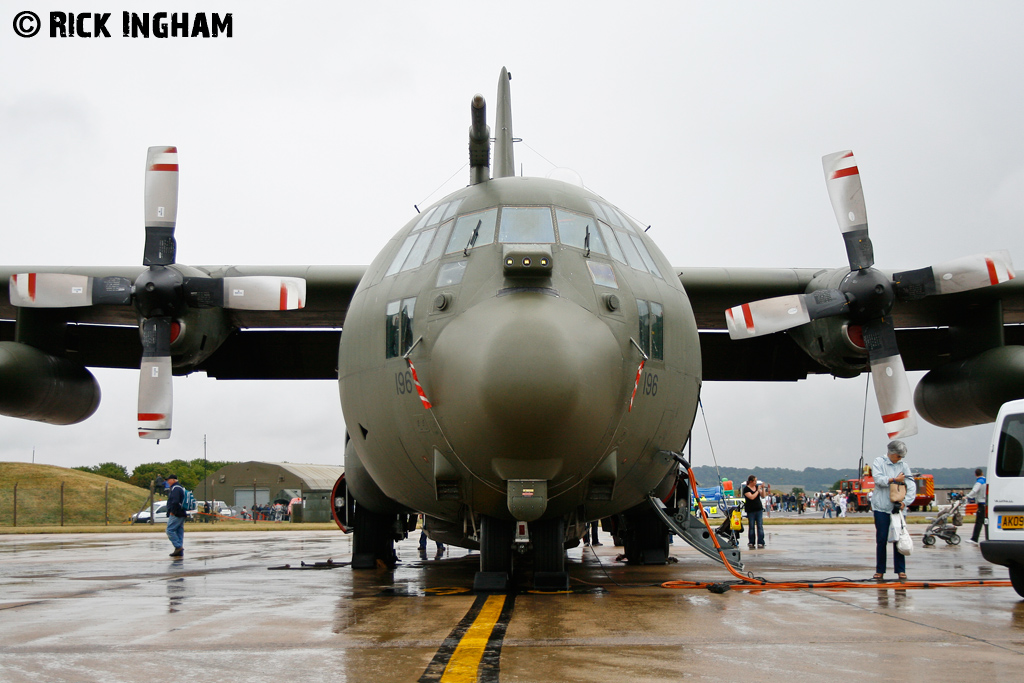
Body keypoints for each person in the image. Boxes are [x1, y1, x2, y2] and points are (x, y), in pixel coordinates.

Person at [871, 440, 917, 581]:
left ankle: (900, 570)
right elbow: (878, 479)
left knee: (899, 539)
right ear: (891, 453)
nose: (900, 459)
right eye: (898, 456)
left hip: (898, 509)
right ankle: (880, 570)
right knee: (882, 539)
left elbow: (911, 484)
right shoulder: (879, 462)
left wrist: (905, 502)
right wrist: (894, 479)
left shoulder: (904, 466)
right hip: (881, 507)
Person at [165, 474, 188, 557]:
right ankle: (179, 550)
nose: (167, 481)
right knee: (179, 531)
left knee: (169, 530)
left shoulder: (176, 488)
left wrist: (172, 511)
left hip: (176, 513)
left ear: (174, 480)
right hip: (181, 512)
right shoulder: (180, 487)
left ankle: (178, 547)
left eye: (169, 480)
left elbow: (175, 501)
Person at [743, 475, 765, 549]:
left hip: (758, 509)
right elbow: (752, 497)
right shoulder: (746, 489)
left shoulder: (757, 487)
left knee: (760, 526)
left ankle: (761, 542)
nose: (756, 482)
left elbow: (763, 496)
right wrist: (757, 491)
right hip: (751, 510)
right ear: (751, 481)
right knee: (751, 526)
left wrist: (763, 489)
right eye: (755, 481)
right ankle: (751, 542)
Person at [966, 468, 988, 544]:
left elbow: (974, 491)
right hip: (986, 503)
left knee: (979, 522)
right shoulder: (986, 481)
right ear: (982, 473)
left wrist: (967, 496)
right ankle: (988, 537)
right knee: (986, 522)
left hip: (981, 503)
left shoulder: (979, 482)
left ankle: (974, 539)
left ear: (975, 474)